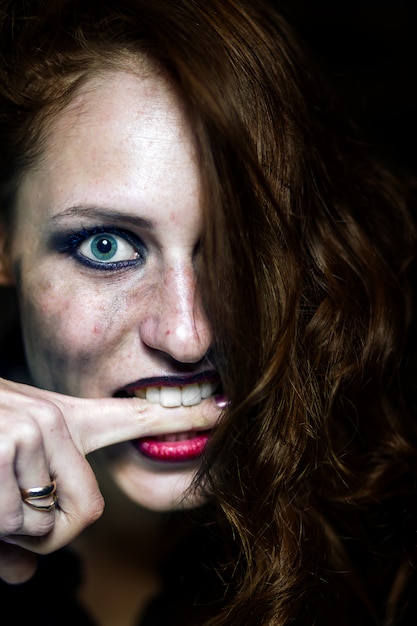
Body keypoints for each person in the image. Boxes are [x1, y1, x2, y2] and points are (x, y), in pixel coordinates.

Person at [0, 0, 416, 624]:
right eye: (106, 246)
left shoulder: (392, 554)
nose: (187, 335)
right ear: (5, 244)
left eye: (236, 248)